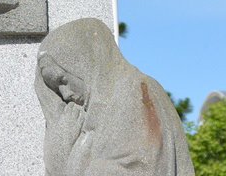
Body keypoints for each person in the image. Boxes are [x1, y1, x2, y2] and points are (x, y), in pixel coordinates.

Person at [35, 18, 195, 176]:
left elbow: (139, 168)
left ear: (81, 65)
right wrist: (60, 148)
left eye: (63, 80)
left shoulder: (133, 91)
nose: (64, 93)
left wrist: (65, 155)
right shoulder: (93, 116)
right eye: (57, 88)